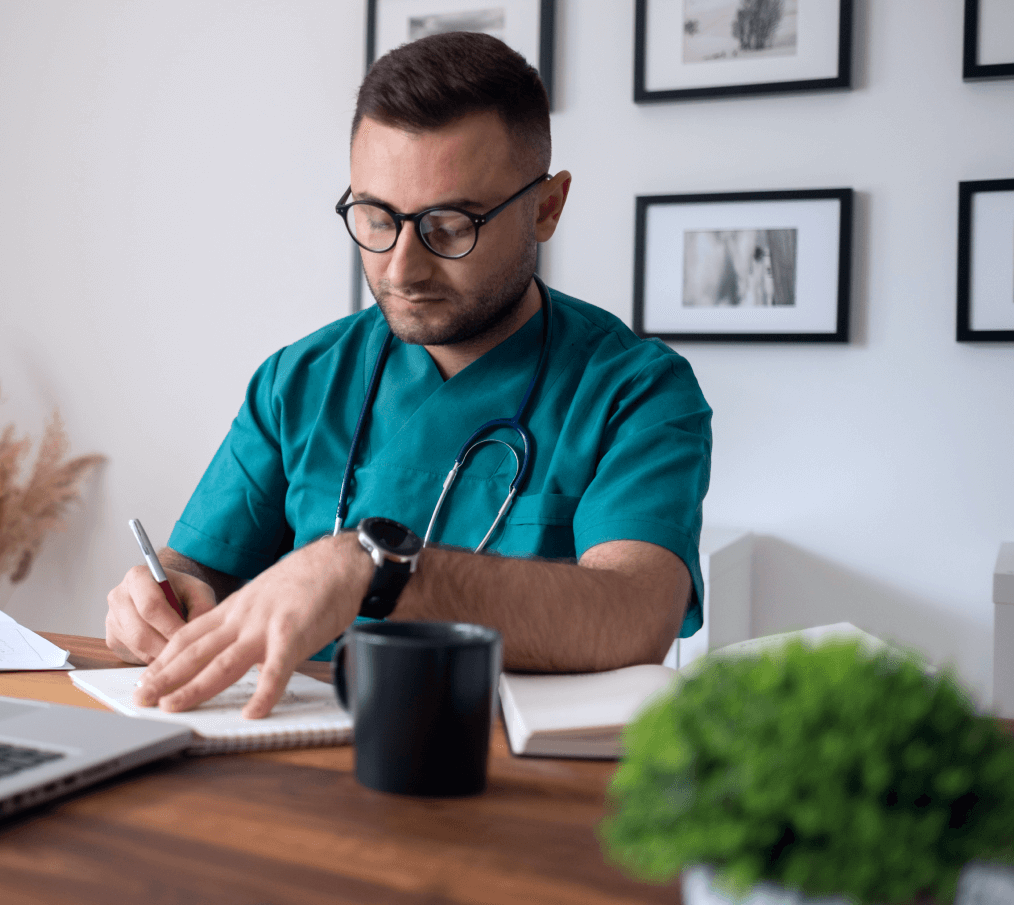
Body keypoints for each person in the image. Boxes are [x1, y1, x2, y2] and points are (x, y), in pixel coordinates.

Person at [106, 31, 712, 719]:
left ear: (546, 208)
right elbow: (197, 572)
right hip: (291, 763)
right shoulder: (300, 380)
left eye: (449, 228)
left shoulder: (636, 392)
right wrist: (155, 606)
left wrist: (374, 570)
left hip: (513, 781)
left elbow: (635, 614)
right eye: (374, 217)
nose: (400, 270)